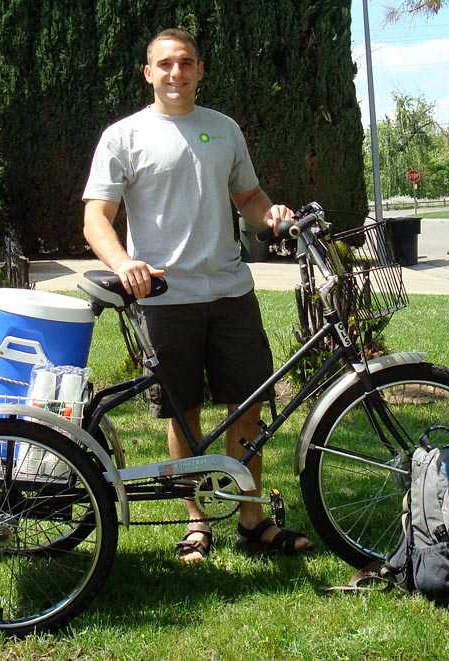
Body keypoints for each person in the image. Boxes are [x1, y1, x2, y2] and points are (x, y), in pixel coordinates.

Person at [83, 28, 312, 562]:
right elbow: (96, 217)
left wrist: (271, 213)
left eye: (185, 62)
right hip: (164, 299)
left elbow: (249, 196)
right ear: (148, 73)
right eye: (164, 64)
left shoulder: (223, 129)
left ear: (200, 70)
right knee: (183, 416)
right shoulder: (124, 136)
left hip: (231, 291)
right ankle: (197, 520)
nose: (175, 73)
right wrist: (123, 263)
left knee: (248, 406)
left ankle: (252, 518)